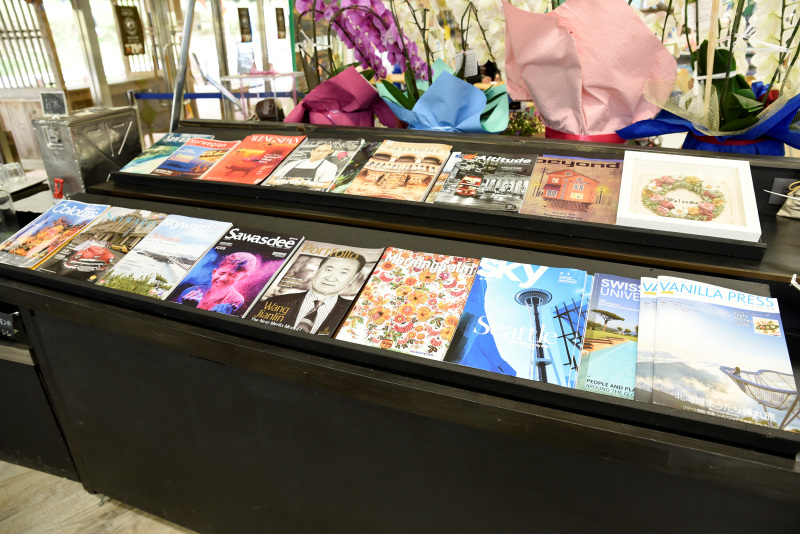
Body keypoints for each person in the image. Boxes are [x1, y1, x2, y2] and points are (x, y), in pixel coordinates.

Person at [266, 252, 366, 335]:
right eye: (328, 270)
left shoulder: (357, 314)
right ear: (318, 270)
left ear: (353, 278)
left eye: (343, 273)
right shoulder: (274, 302)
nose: (330, 278)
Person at [176, 252, 257, 315]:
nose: (223, 279)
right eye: (221, 273)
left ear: (242, 278)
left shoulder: (236, 299)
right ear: (214, 272)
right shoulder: (190, 291)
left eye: (232, 275)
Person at [269, 143, 338, 187]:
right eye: (318, 150)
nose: (320, 153)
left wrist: (304, 183)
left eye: (325, 151)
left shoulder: (330, 166)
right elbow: (270, 179)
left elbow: (326, 185)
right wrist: (286, 181)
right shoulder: (293, 163)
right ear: (312, 151)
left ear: (329, 152)